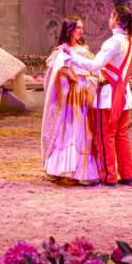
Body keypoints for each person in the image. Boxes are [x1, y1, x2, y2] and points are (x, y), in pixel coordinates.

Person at [69, 5, 132, 187]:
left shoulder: (112, 42)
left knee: (105, 136)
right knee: (121, 136)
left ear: (116, 19)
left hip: (110, 96)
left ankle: (108, 177)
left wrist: (71, 56)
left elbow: (95, 65)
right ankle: (127, 175)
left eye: (110, 16)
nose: (108, 20)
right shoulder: (130, 42)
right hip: (123, 95)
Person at [41, 16, 100, 185]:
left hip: (82, 92)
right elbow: (53, 67)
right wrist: (68, 74)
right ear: (69, 30)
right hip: (69, 94)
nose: (81, 31)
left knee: (82, 129)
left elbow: (93, 66)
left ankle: (80, 171)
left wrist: (90, 80)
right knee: (69, 129)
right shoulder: (61, 50)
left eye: (81, 27)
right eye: (77, 28)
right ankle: (65, 170)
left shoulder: (83, 48)